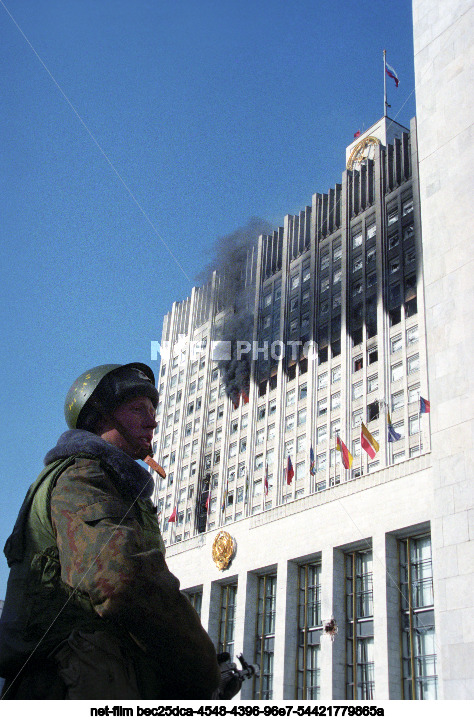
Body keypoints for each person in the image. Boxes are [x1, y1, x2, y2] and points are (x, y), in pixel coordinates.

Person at [0, 363, 221, 699]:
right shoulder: (80, 478)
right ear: (99, 416)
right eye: (137, 410)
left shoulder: (109, 483)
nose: (153, 422)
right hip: (61, 688)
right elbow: (121, 582)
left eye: (152, 411)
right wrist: (204, 670)